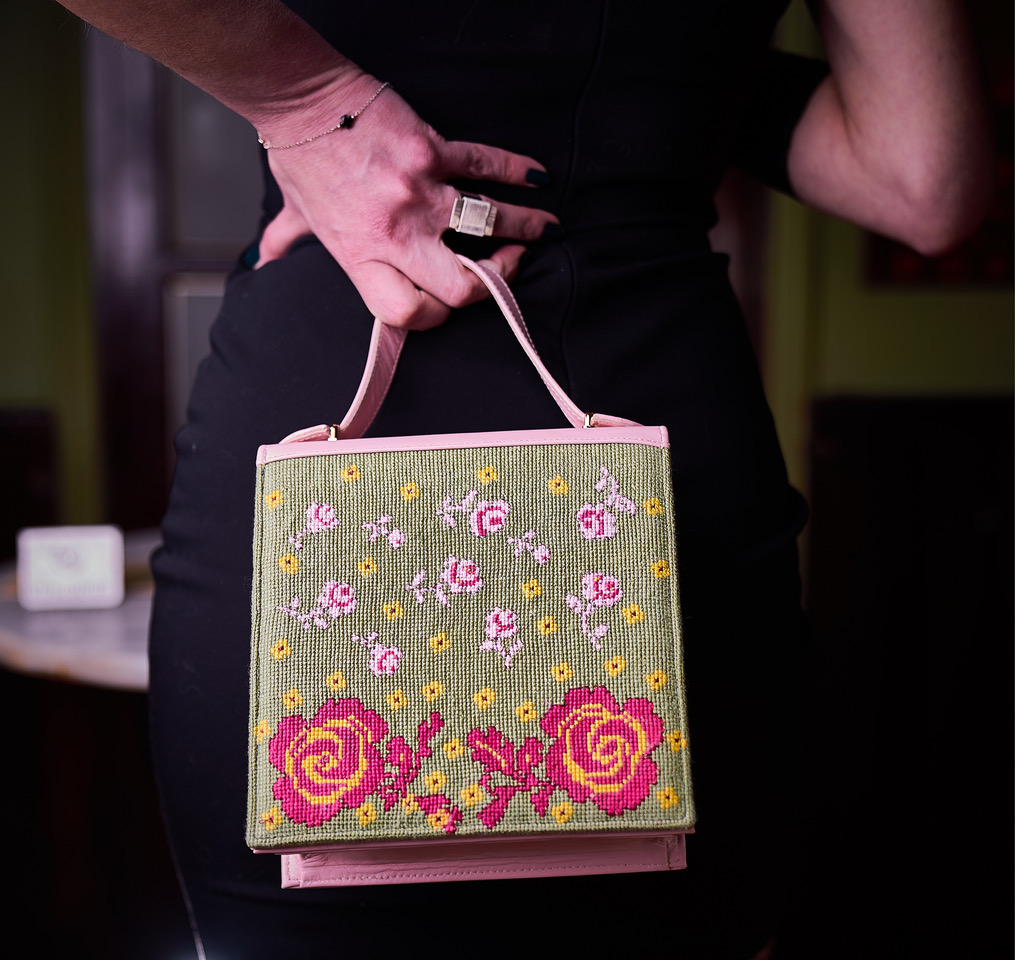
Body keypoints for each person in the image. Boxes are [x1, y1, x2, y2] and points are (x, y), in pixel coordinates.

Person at [54, 1, 994, 958]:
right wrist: (663, 71)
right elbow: (921, 180)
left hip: (324, 408)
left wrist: (302, 99)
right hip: (658, 414)